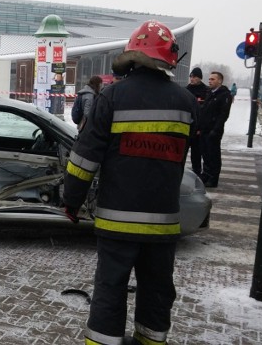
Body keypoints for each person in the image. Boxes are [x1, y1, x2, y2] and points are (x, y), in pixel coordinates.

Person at [63, 20, 195, 345]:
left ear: (132, 55)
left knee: (111, 288)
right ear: (168, 59)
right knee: (157, 291)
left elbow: (84, 159)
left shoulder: (112, 97)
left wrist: (71, 201)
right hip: (163, 224)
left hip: (117, 221)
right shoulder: (186, 102)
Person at [197, 71, 232, 187]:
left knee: (213, 154)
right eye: (209, 79)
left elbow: (223, 115)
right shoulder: (210, 93)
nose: (209, 81)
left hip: (214, 130)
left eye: (213, 79)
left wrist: (216, 130)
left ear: (220, 81)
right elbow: (204, 111)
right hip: (204, 129)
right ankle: (206, 174)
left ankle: (213, 178)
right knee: (205, 153)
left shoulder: (224, 95)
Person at [185, 67, 208, 176]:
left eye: (194, 77)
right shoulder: (186, 90)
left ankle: (197, 171)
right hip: (186, 125)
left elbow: (206, 111)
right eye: (191, 76)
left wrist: (200, 127)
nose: (192, 79)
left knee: (197, 152)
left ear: (200, 78)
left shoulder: (206, 91)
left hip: (199, 127)